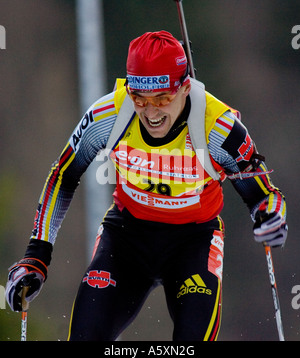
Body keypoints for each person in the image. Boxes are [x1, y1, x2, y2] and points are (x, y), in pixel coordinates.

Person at [5, 31, 287, 341]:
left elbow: (263, 196)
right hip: (127, 237)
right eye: (138, 98)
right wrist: (37, 255)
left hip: (193, 241)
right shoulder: (107, 116)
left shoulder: (218, 127)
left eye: (162, 99)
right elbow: (63, 175)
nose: (150, 112)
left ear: (184, 87)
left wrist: (269, 217)